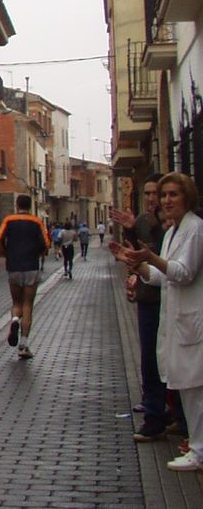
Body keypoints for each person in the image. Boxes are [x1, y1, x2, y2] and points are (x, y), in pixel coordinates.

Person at [112, 172, 203, 471]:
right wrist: (138, 264)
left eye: (173, 194)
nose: (166, 200)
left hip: (192, 317)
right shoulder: (174, 232)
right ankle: (197, 448)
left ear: (187, 197)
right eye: (164, 196)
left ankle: (199, 449)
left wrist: (151, 257)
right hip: (176, 317)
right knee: (187, 385)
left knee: (195, 386)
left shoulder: (195, 229)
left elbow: (184, 272)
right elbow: (162, 277)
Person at [112, 174, 169, 439]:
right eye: (147, 194)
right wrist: (132, 230)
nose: (152, 199)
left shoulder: (170, 226)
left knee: (162, 359)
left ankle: (161, 413)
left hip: (165, 298)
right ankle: (155, 407)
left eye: (156, 193)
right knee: (149, 357)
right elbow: (135, 253)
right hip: (149, 296)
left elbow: (159, 258)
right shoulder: (145, 221)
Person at [0, 194, 50, 360]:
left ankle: (14, 319)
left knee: (16, 302)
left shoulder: (9, 220)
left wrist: (6, 252)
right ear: (30, 206)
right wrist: (39, 253)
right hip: (31, 267)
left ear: (16, 204)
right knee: (28, 305)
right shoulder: (37, 221)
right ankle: (23, 345)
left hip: (13, 267)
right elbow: (47, 243)